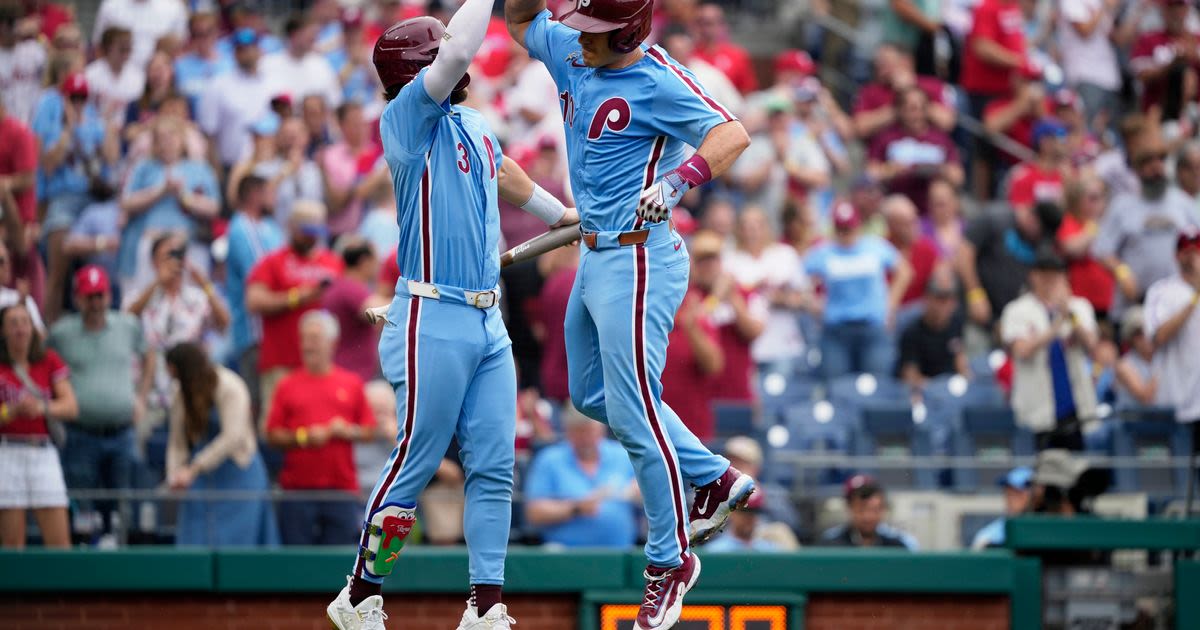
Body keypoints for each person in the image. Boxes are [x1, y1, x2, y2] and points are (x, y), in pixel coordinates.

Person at [506, 0, 757, 625]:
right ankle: (714, 477)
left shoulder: (656, 76)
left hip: (639, 254)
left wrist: (676, 183)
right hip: (593, 252)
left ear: (628, 33)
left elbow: (732, 133)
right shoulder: (571, 49)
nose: (579, 40)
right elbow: (517, 21)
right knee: (589, 397)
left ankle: (669, 560)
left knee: (632, 406)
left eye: (595, 33)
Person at [328, 6, 579, 630]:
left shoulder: (467, 121)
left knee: (495, 463)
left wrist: (560, 215)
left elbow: (504, 171)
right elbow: (461, 52)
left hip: (488, 320)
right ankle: (360, 591)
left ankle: (486, 603)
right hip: (431, 314)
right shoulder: (405, 119)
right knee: (417, 456)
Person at [48, 266, 152, 542]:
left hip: (122, 429)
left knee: (124, 501)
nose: (95, 303)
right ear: (78, 298)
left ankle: (123, 554)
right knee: (82, 502)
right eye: (89, 296)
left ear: (108, 296)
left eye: (99, 296)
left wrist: (141, 397)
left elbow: (149, 355)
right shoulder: (62, 333)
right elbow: (45, 366)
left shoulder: (127, 325)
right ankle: (84, 556)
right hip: (81, 432)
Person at [266, 310, 376, 546]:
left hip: (341, 490)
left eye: (314, 338)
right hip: (297, 491)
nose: (308, 345)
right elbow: (271, 434)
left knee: (339, 560)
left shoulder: (352, 383)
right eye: (304, 338)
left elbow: (369, 430)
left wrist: (348, 431)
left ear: (332, 343)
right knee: (296, 563)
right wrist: (304, 437)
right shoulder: (287, 385)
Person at [165, 342, 278, 547]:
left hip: (239, 473)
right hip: (201, 478)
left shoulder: (230, 386)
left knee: (241, 543)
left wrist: (193, 469)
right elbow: (177, 441)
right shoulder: (179, 391)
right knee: (195, 537)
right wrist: (175, 473)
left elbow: (232, 438)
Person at [245, 200, 343, 429]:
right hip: (281, 362)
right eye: (306, 232)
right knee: (278, 427)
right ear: (291, 227)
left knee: (318, 424)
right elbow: (253, 300)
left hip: (321, 366)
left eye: (316, 232)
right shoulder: (273, 262)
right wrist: (297, 297)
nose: (311, 238)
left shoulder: (333, 262)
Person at [125, 232, 230, 431]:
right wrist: (158, 282)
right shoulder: (139, 296)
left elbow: (224, 323)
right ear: (154, 262)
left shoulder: (197, 298)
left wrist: (204, 284)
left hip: (188, 395)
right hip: (149, 396)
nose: (175, 261)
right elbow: (126, 320)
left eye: (179, 254)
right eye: (168, 256)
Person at [999, 248, 1099, 451]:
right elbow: (1021, 351)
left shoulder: (1078, 307)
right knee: (1040, 475)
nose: (1050, 280)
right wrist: (1055, 327)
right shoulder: (1017, 310)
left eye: (1055, 274)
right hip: (1037, 410)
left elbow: (1091, 344)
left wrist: (1068, 314)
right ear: (1033, 276)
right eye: (1044, 274)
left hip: (1075, 407)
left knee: (1074, 473)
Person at [1094, 130, 1200, 317]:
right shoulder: (1122, 205)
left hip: (1176, 301)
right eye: (1148, 163)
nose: (1156, 168)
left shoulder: (1183, 203)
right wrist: (1122, 271)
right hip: (1134, 303)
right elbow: (1102, 249)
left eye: (1160, 161)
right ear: (1137, 169)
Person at [804, 202, 913, 378]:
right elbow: (800, 277)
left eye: (849, 229)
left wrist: (890, 305)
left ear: (858, 226)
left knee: (876, 385)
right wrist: (811, 302)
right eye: (841, 229)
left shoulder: (874, 247)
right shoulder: (824, 252)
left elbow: (904, 271)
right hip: (836, 331)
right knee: (837, 387)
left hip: (872, 327)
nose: (845, 234)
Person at [0, 302, 77, 549]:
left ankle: (61, 588)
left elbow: (71, 407)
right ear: (2, 330)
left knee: (60, 542)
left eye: (25, 322)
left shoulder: (48, 360)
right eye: (13, 323)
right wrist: (11, 411)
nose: (20, 329)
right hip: (7, 451)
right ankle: (15, 588)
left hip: (42, 450)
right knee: (12, 544)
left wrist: (41, 407)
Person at [117, 115, 221, 294]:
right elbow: (126, 202)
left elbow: (214, 207)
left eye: (172, 136)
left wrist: (184, 197)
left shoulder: (200, 169)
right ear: (154, 144)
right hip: (150, 245)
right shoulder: (144, 167)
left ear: (182, 140)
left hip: (188, 243)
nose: (167, 142)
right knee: (147, 296)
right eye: (161, 138)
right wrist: (160, 192)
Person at [524, 406, 639, 548]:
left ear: (601, 430)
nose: (586, 439)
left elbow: (653, 501)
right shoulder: (549, 460)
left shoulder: (623, 456)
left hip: (621, 552)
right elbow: (534, 513)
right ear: (567, 432)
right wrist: (576, 508)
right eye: (579, 432)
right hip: (565, 553)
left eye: (590, 431)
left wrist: (643, 494)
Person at [1143, 229, 1200, 451]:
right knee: (1177, 478)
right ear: (1178, 256)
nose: (1193, 257)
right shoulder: (1163, 290)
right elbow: (1157, 337)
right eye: (1188, 252)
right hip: (1177, 401)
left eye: (1197, 252)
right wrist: (1195, 297)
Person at [866, 86, 963, 214]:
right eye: (911, 109)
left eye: (922, 108)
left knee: (942, 191)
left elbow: (958, 177)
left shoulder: (940, 139)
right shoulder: (886, 138)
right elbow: (869, 174)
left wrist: (940, 170)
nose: (917, 114)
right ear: (900, 110)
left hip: (933, 208)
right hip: (896, 203)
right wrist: (891, 170)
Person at [197, 27, 274, 172]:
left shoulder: (272, 83)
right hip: (230, 165)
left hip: (269, 164)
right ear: (234, 53)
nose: (247, 54)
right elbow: (209, 133)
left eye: (251, 48)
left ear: (259, 50)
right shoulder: (218, 85)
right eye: (241, 49)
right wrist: (216, 171)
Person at [323, 237, 388, 383]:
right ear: (364, 262)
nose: (379, 267)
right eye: (376, 261)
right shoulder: (351, 289)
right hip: (352, 372)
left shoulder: (341, 285)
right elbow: (377, 312)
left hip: (350, 370)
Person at [897, 269, 968, 389]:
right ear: (928, 297)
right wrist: (934, 388)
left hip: (951, 387)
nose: (945, 304)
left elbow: (960, 361)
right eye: (940, 297)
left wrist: (965, 382)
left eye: (950, 298)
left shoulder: (956, 323)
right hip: (926, 390)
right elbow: (910, 375)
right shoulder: (912, 332)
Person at [1057, 175, 1113, 319]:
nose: (1100, 203)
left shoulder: (1111, 224)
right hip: (1081, 302)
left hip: (1111, 302)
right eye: (1093, 198)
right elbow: (1071, 249)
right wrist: (1094, 226)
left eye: (1102, 197)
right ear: (1077, 200)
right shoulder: (1070, 222)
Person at [260, 13, 342, 108]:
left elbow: (334, 101)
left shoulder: (321, 63)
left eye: (315, 34)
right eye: (310, 34)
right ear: (294, 35)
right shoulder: (268, 64)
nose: (314, 38)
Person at [818, 474, 918, 549]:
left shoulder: (898, 546)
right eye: (861, 509)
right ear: (849, 507)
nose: (868, 516)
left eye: (875, 509)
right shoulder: (829, 545)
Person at [92, 0, 187, 70]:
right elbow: (99, 48)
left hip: (159, 83)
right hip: (118, 79)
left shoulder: (174, 7)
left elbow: (181, 51)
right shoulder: (110, 5)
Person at [970, 467, 1033, 549]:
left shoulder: (1045, 528)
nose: (1010, 500)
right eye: (1008, 494)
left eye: (1016, 494)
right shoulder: (988, 534)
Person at [1113, 307, 1157, 408]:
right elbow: (1145, 397)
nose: (1145, 336)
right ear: (1130, 338)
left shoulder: (1160, 357)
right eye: (1138, 333)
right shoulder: (1124, 365)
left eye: (1149, 331)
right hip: (1133, 422)